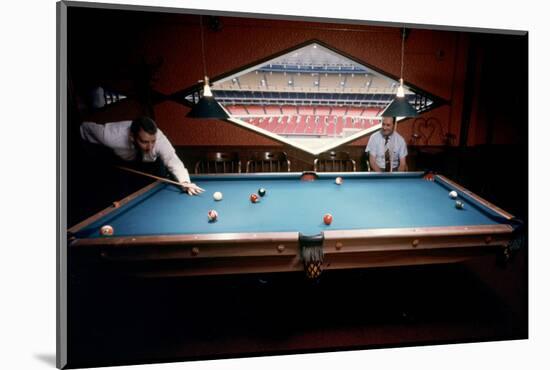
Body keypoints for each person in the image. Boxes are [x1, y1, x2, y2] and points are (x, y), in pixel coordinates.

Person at [80, 116, 204, 195]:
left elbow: (173, 161)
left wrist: (185, 182)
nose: (150, 147)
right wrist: (90, 155)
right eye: (144, 142)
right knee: (123, 194)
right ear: (132, 137)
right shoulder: (110, 136)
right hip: (125, 165)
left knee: (158, 191)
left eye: (152, 141)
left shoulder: (159, 140)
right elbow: (83, 128)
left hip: (152, 166)